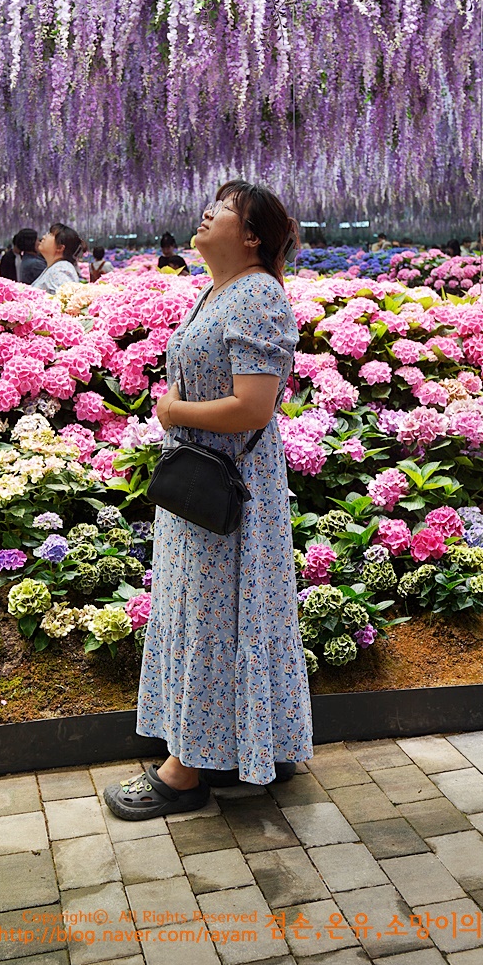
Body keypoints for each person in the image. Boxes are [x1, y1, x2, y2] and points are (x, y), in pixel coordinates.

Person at [103, 180, 313, 821]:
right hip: (203, 480)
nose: (206, 212)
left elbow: (253, 406)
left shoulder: (256, 294)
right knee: (210, 615)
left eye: (222, 208)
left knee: (215, 618)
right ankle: (251, 748)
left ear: (251, 234)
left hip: (230, 488)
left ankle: (185, 772)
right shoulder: (220, 292)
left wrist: (171, 411)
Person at [31, 224, 82, 293]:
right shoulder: (55, 267)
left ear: (60, 248)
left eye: (51, 234)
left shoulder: (61, 268)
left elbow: (65, 299)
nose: (43, 237)